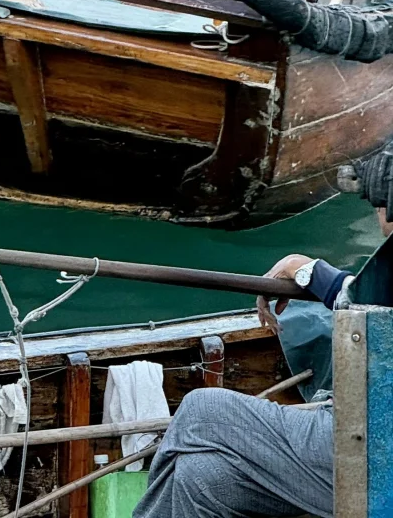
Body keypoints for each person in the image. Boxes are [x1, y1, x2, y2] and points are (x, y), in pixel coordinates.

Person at [132, 211, 393, 518]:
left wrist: (305, 268)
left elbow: (368, 309)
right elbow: (372, 302)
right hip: (373, 442)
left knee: (201, 410)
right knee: (203, 477)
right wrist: (307, 270)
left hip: (373, 450)